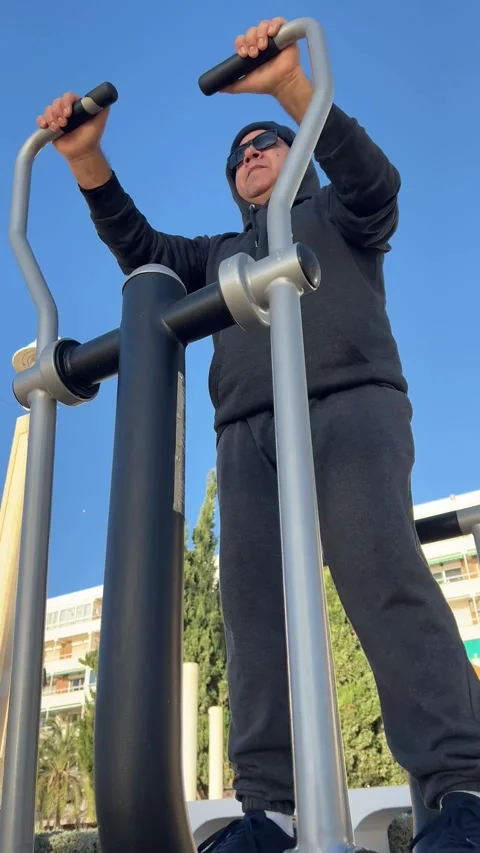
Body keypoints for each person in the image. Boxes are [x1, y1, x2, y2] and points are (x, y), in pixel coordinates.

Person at [38, 16, 480, 853]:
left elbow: (375, 180)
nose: (249, 154)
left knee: (383, 577)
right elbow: (142, 250)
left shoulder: (339, 213)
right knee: (251, 618)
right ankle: (270, 811)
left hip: (348, 403)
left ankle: (461, 786)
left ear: (297, 154)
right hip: (247, 432)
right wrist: (86, 158)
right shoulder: (222, 256)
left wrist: (289, 87)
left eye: (265, 143)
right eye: (237, 154)